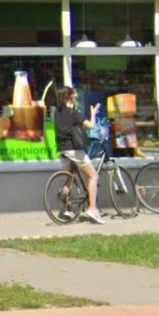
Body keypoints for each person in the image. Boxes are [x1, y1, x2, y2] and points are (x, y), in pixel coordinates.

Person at [54, 86, 104, 224]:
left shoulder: (57, 112)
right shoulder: (74, 113)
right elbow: (91, 126)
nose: (75, 97)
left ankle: (65, 208)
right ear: (69, 97)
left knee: (68, 179)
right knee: (93, 176)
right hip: (74, 150)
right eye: (74, 95)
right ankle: (92, 209)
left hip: (62, 150)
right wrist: (93, 113)